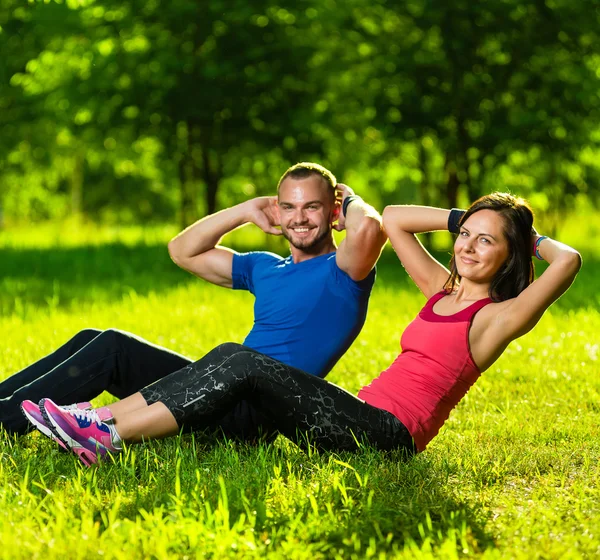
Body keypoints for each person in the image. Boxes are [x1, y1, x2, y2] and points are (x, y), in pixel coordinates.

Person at [29, 192, 582, 467]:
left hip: (388, 437)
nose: (468, 245)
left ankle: (107, 433)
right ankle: (93, 423)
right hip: (355, 414)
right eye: (467, 235)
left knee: (240, 360)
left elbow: (569, 261)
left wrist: (524, 231)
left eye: (487, 241)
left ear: (510, 255)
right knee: (231, 359)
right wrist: (466, 218)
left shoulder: (497, 318)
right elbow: (394, 218)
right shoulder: (442, 290)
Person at [7, 162, 386, 442]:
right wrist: (244, 210)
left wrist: (350, 199)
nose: (298, 218)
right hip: (217, 388)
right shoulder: (266, 267)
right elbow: (182, 250)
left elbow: (370, 227)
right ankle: (7, 407)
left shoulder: (343, 271)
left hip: (253, 415)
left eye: (312, 207)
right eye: (289, 207)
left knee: (227, 355)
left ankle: (8, 420)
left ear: (332, 211)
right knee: (108, 343)